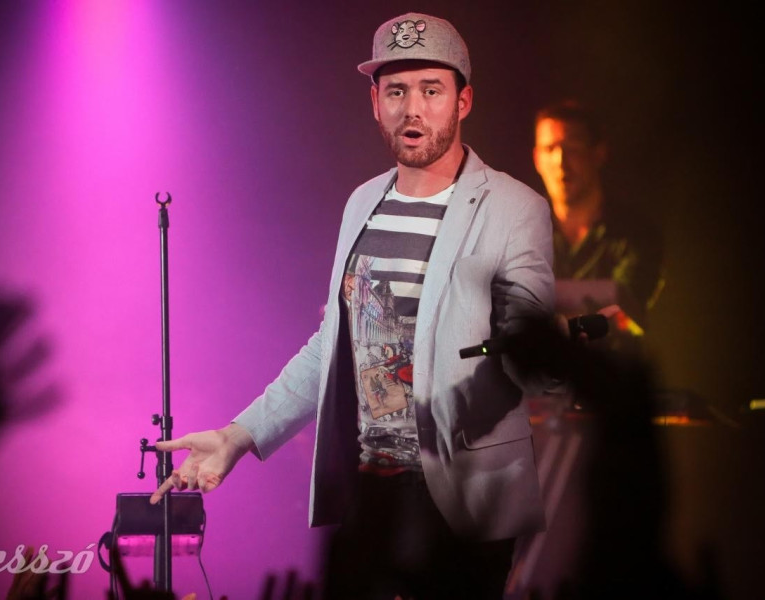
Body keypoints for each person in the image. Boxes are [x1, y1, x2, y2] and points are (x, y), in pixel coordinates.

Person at [151, 13, 555, 599]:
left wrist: (524, 352)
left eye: (431, 91)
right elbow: (334, 346)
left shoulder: (515, 209)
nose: (412, 109)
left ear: (463, 101)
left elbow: (531, 354)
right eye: (396, 91)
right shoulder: (363, 202)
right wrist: (238, 437)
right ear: (375, 102)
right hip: (372, 494)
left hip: (466, 498)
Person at [532, 99, 664, 341]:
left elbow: (625, 306)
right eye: (550, 149)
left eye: (572, 147)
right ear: (537, 159)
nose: (560, 161)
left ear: (598, 153)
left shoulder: (636, 233)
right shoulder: (520, 230)